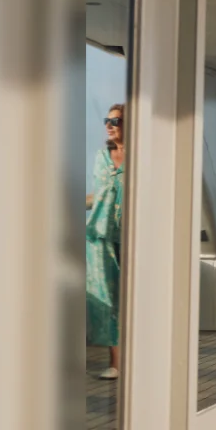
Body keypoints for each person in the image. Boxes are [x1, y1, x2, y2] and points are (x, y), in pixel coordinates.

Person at [86, 104, 127, 380]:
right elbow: (97, 195)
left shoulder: (140, 157)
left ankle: (142, 356)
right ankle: (116, 363)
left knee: (134, 297)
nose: (110, 125)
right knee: (108, 300)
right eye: (107, 120)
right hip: (101, 235)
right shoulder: (101, 156)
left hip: (133, 236)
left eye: (116, 120)